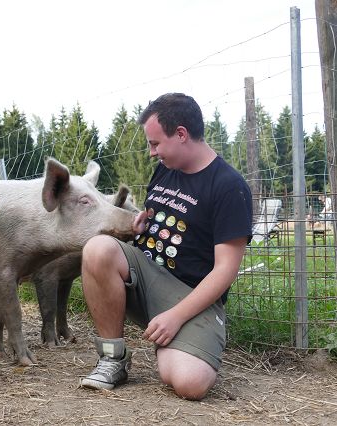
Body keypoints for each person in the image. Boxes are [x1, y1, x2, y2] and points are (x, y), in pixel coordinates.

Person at [79, 93, 252, 400]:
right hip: (147, 276)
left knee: (190, 383)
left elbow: (225, 270)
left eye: (155, 143)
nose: (151, 153)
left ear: (181, 134)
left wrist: (176, 317)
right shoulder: (166, 169)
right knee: (97, 249)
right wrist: (141, 227)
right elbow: (162, 222)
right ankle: (112, 358)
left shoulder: (229, 186)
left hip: (191, 294)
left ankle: (178, 337)